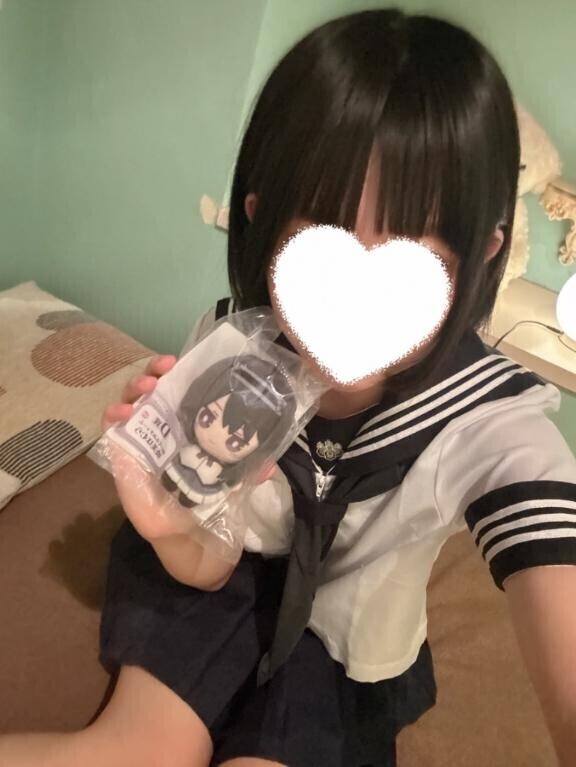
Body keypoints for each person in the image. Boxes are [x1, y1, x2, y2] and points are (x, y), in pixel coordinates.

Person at [2, 8, 576, 767]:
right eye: (323, 238)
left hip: (345, 646)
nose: (356, 295)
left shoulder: (489, 421)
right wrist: (172, 529)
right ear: (263, 220)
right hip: (214, 583)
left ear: (484, 251)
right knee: (134, 751)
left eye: (411, 245)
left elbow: (547, 530)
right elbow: (212, 554)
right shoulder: (235, 344)